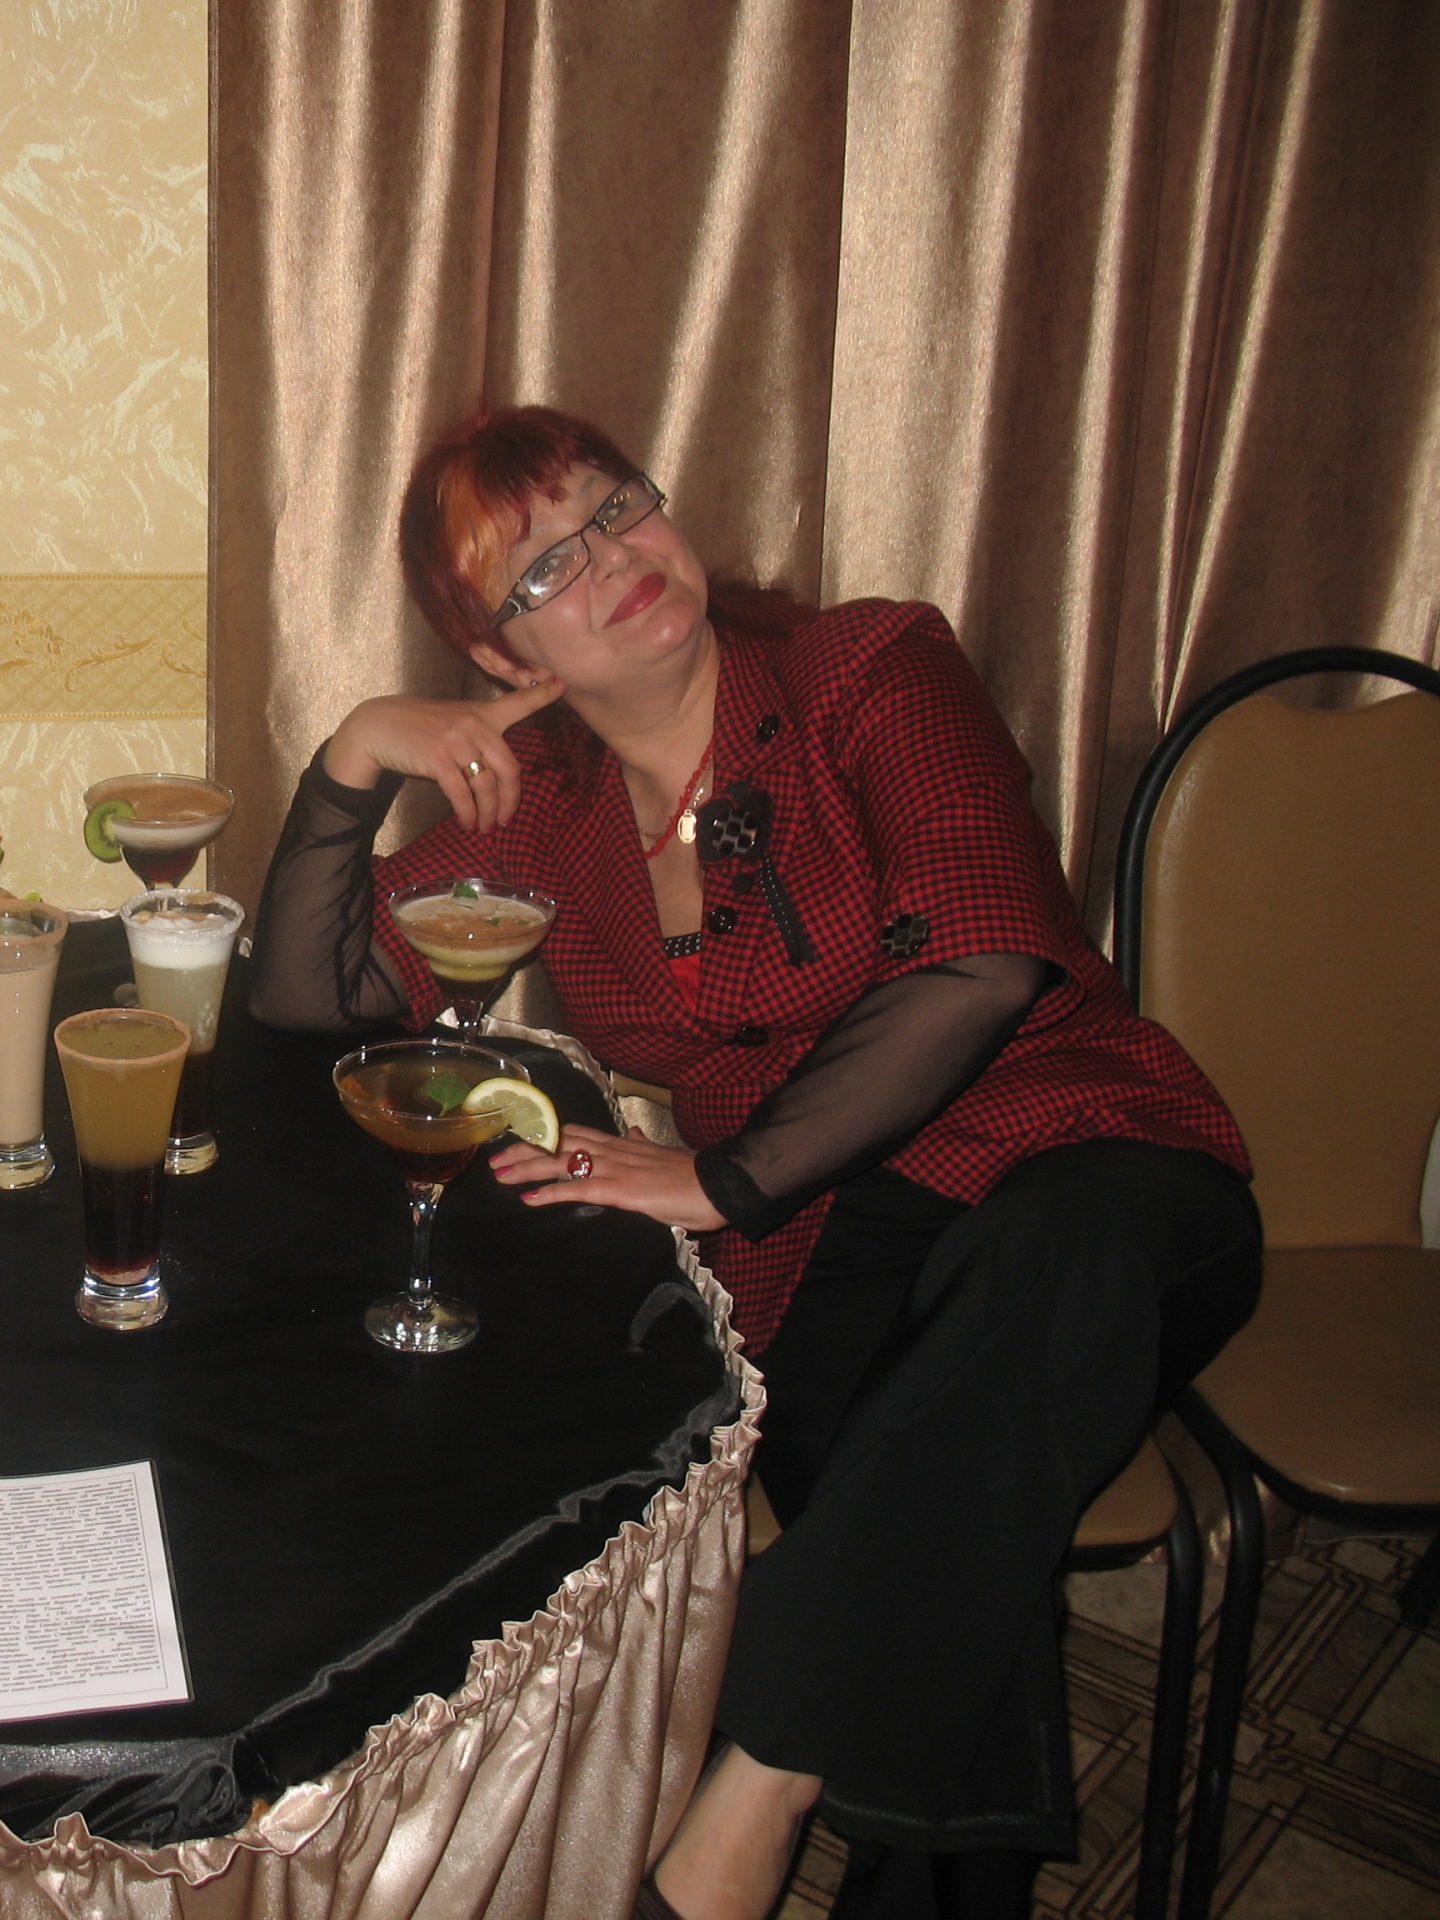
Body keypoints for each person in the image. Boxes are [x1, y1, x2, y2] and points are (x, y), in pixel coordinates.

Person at [245, 405, 1260, 1920]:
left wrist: (721, 1183)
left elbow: (983, 961)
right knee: (941, 1511)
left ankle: (756, 1785)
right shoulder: (549, 808)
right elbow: (312, 1002)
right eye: (546, 567)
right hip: (838, 1245)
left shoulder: (868, 669)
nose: (613, 559)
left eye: (616, 507)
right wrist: (350, 762)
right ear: (504, 654)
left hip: (1101, 1163)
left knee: (1038, 1274)